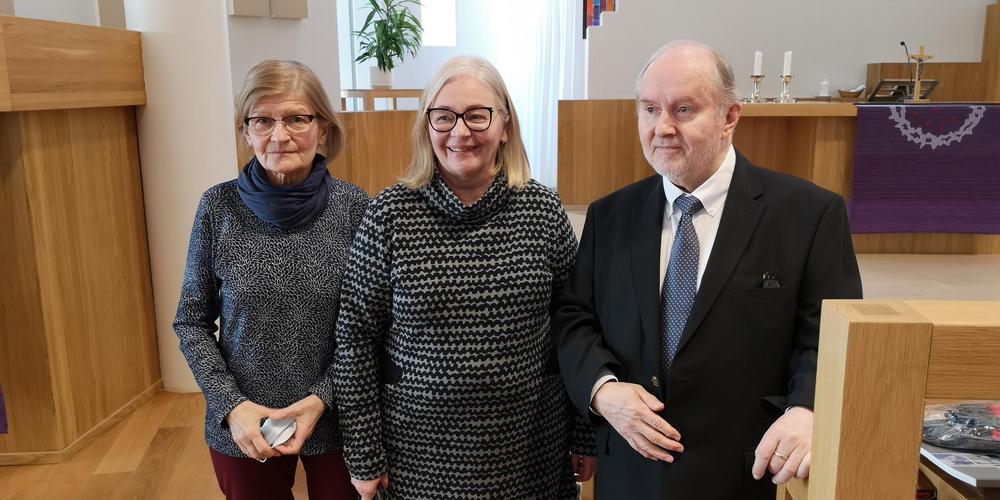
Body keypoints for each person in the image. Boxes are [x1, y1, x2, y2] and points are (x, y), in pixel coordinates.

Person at [553, 41, 863, 499]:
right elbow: (575, 320)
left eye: (683, 110)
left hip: (746, 472)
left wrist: (808, 408)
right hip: (633, 472)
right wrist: (603, 390)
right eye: (650, 109)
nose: (662, 128)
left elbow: (830, 336)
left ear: (729, 117)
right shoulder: (610, 216)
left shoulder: (808, 215)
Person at [332, 55, 596, 500]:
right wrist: (363, 453)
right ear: (427, 126)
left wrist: (584, 433)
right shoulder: (389, 214)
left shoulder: (543, 210)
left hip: (531, 448)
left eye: (477, 115)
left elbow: (575, 325)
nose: (460, 132)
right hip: (416, 455)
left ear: (504, 125)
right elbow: (355, 338)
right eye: (444, 116)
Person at [174, 60, 369, 500]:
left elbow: (369, 325)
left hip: (339, 414)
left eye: (296, 119)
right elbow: (191, 321)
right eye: (262, 120)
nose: (279, 136)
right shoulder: (218, 207)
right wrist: (231, 405)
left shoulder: (355, 207)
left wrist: (322, 397)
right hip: (243, 420)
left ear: (322, 128)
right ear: (246, 131)